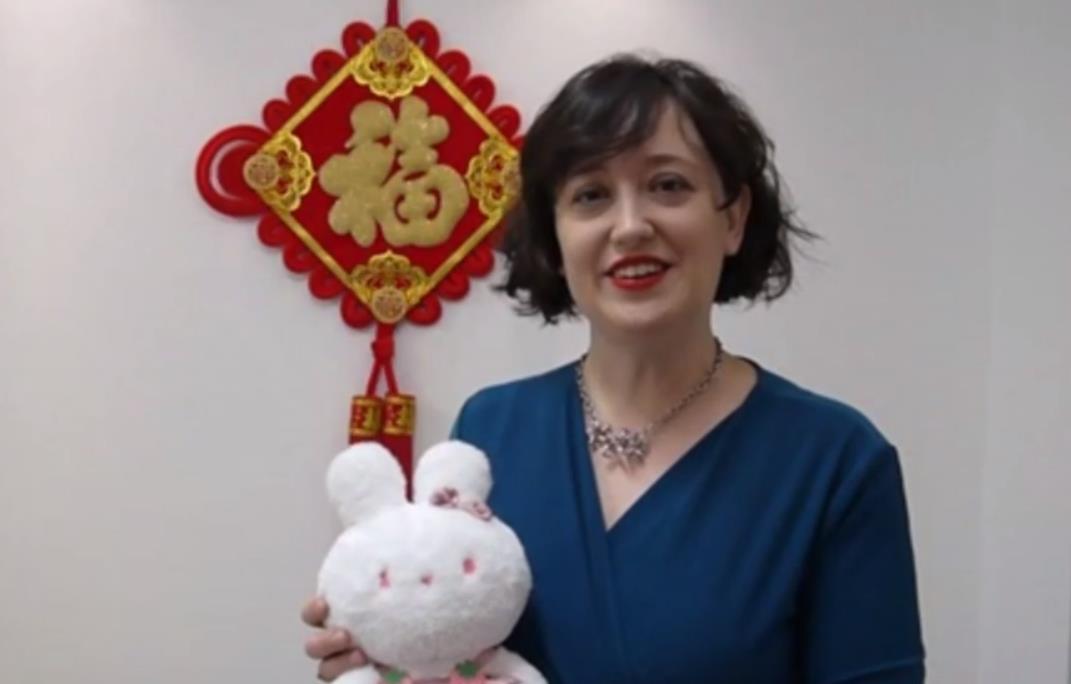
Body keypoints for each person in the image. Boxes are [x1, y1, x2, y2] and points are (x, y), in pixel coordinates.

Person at [302, 54, 925, 683]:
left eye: (668, 185)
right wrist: (389, 659)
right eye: (591, 195)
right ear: (555, 235)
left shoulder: (834, 461)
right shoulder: (492, 430)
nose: (629, 227)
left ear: (733, 218)